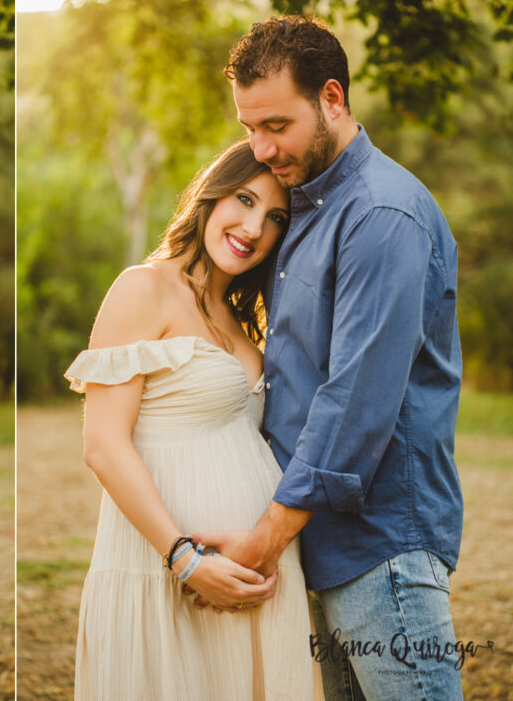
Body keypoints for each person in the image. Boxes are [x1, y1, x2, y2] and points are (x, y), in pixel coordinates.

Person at [194, 16, 463, 701]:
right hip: (319, 547)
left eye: (277, 125)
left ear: (332, 99)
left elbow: (357, 399)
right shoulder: (305, 204)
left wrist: (265, 538)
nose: (261, 148)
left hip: (382, 547)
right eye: (249, 127)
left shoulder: (380, 213)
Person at [64, 140, 321, 700]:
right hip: (166, 574)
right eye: (245, 200)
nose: (254, 228)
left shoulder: (243, 319)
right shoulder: (144, 287)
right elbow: (104, 445)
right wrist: (184, 559)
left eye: (275, 218)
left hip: (252, 575)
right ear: (211, 195)